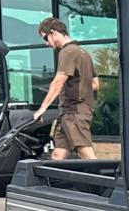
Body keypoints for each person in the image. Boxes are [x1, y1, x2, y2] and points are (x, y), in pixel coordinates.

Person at [33, 18, 100, 160]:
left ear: (54, 33)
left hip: (74, 112)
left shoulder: (67, 52)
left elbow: (58, 81)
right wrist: (77, 87)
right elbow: (95, 84)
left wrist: (42, 108)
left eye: (46, 38)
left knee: (86, 153)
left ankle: (109, 182)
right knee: (57, 155)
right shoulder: (83, 53)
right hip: (72, 112)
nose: (46, 43)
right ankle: (49, 182)